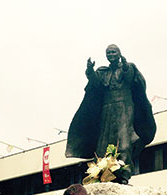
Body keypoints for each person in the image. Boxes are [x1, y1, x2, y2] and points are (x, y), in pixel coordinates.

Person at [65, 44, 156, 184]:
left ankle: (123, 174)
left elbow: (132, 79)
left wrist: (125, 66)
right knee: (103, 142)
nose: (111, 54)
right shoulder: (103, 72)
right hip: (107, 108)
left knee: (124, 141)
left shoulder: (128, 66)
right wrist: (90, 71)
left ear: (119, 53)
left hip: (125, 107)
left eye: (113, 52)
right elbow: (95, 85)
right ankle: (102, 173)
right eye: (108, 52)